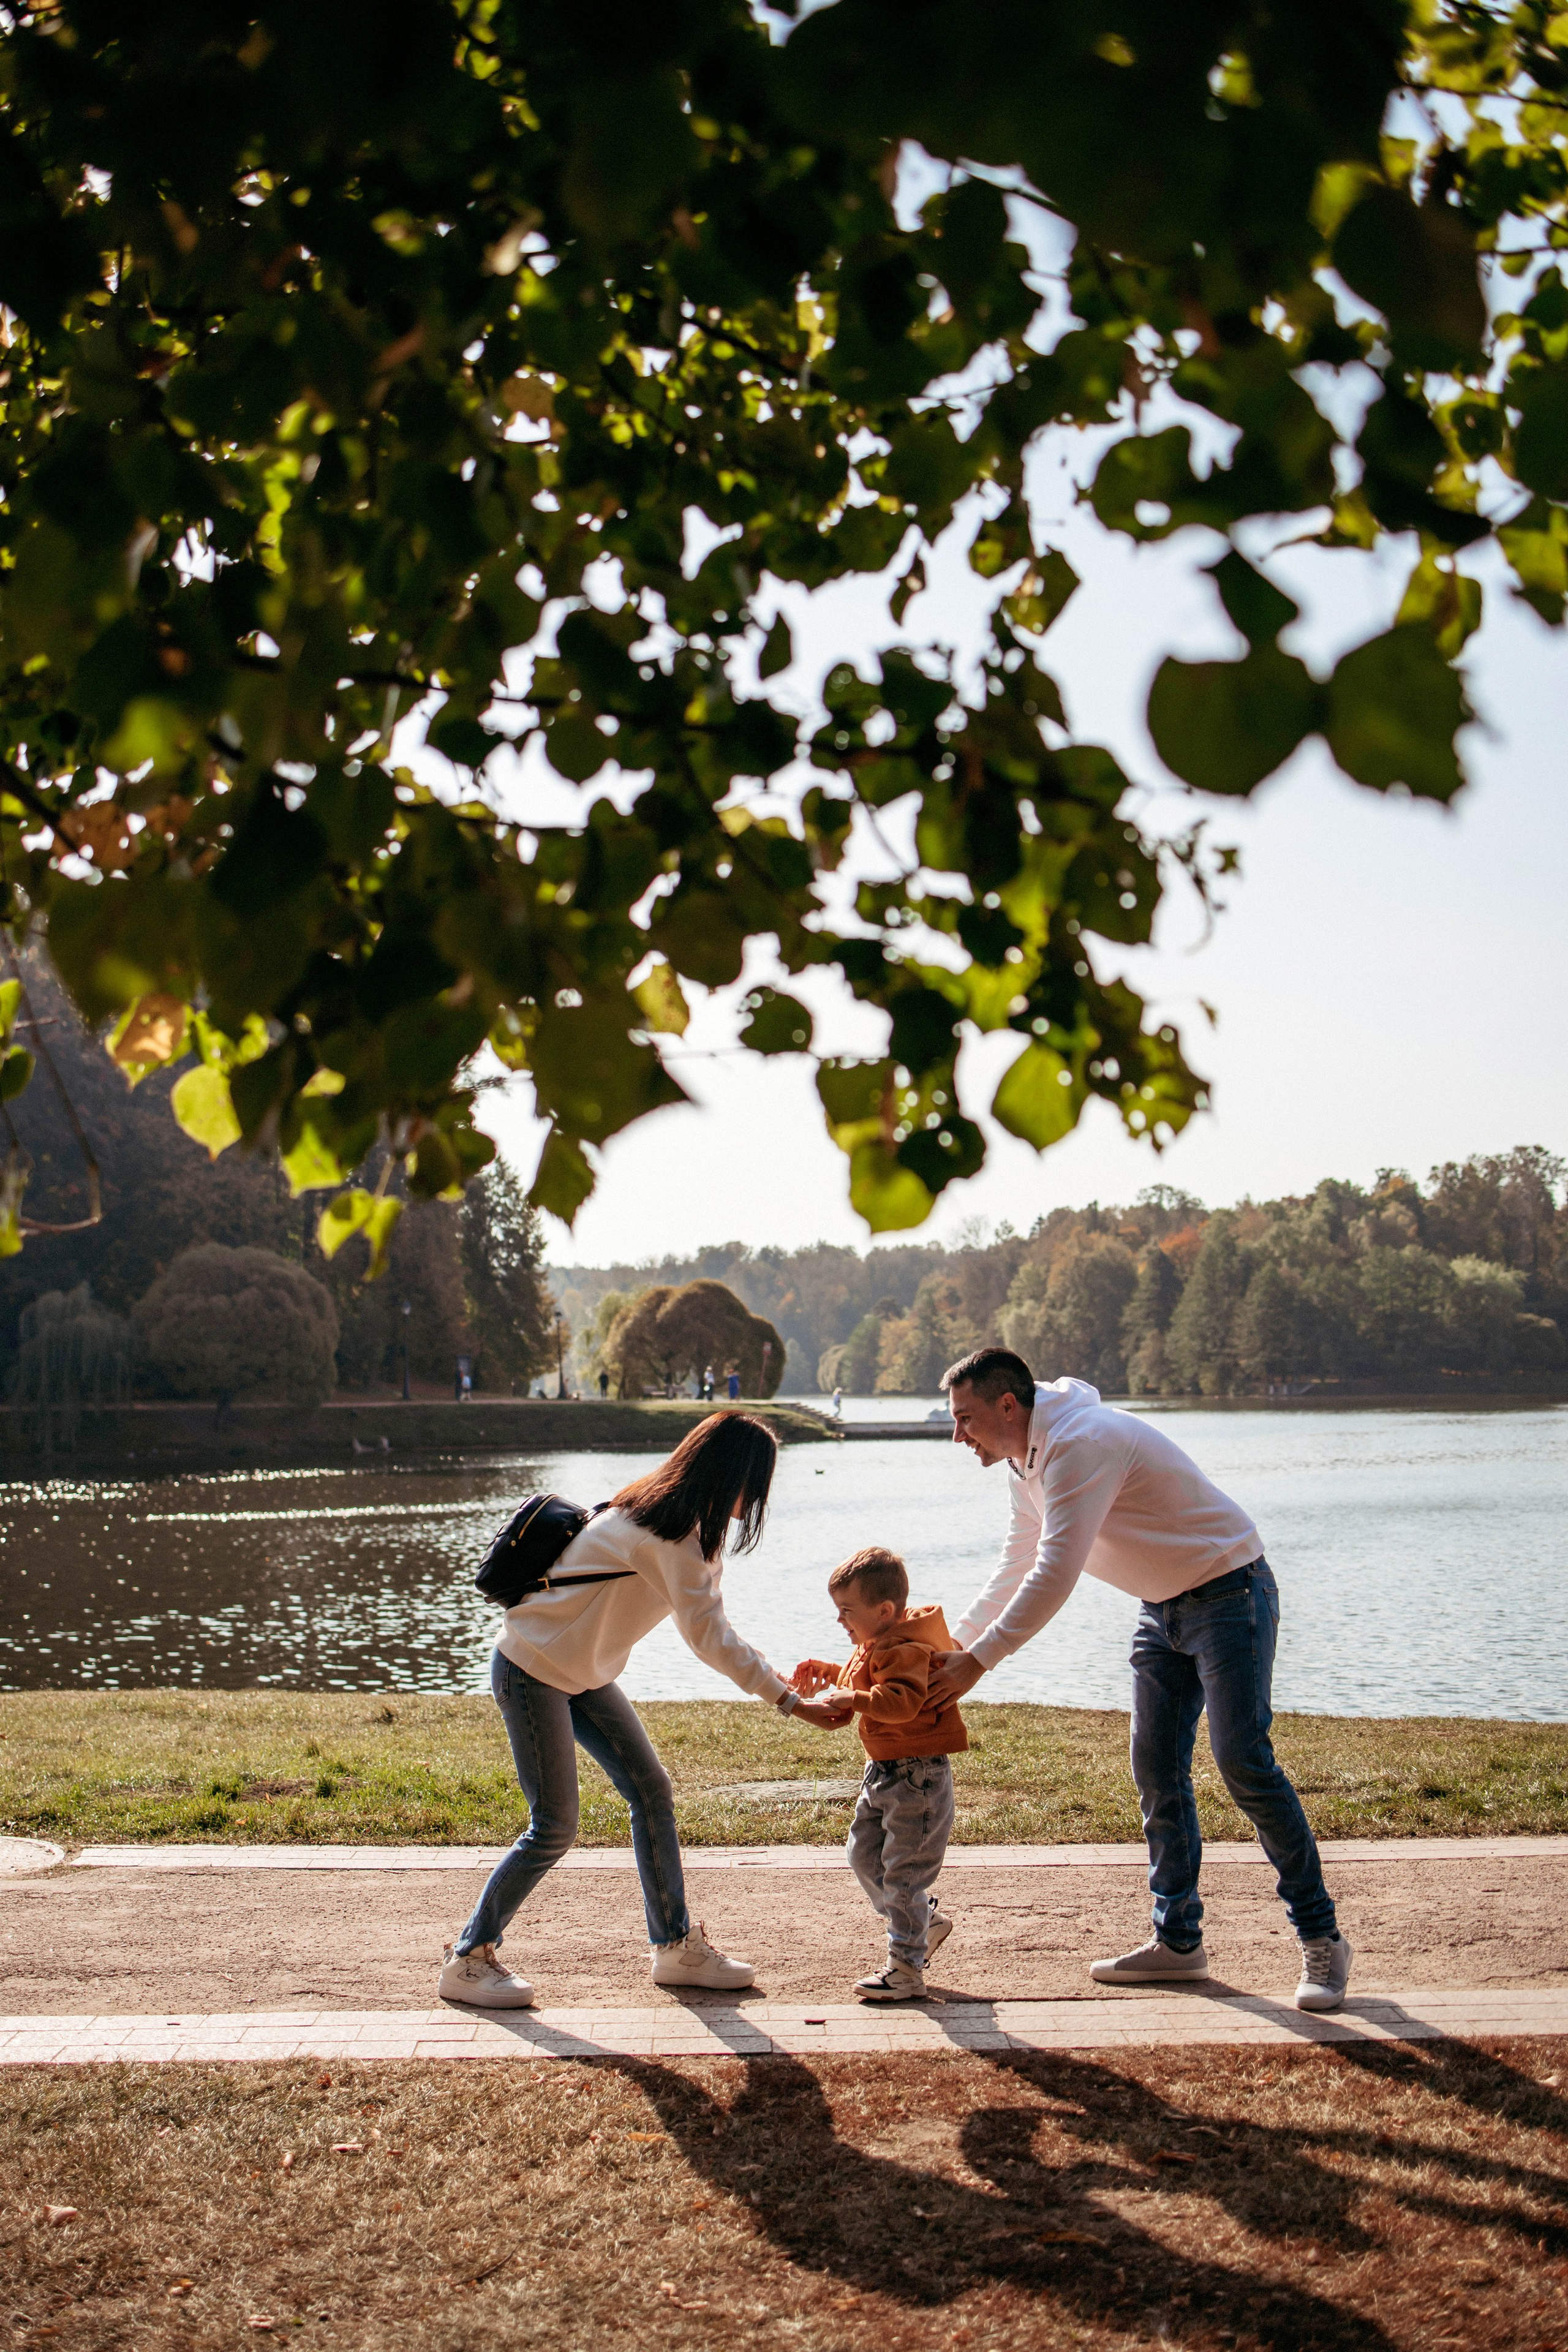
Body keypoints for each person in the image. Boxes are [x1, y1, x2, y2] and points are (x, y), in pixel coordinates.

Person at [926, 1347, 1351, 2014]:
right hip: (1162, 1611)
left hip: (1230, 1594)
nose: (957, 1435)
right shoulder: (1023, 1462)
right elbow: (1018, 1560)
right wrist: (953, 1644)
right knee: (1156, 1771)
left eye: (965, 1419)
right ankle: (1177, 1944)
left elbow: (1056, 1571)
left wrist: (981, 1660)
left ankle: (1321, 1938)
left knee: (1243, 1763)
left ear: (1008, 1405)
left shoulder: (1081, 1442)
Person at [439, 1412, 845, 2009]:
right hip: (533, 1671)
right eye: (755, 1481)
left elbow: (716, 1628)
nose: (757, 1496)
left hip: (579, 1675)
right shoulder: (673, 1536)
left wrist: (779, 1680)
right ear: (732, 1475)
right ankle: (468, 1960)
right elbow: (709, 1639)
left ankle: (675, 1947)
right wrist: (788, 1702)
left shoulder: (661, 1516)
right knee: (554, 1825)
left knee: (651, 1790)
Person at [791, 1546, 967, 2003]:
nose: (840, 1621)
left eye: (847, 1612)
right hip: (883, 1775)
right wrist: (828, 1673)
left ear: (884, 1611)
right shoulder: (876, 1644)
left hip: (917, 1778)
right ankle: (924, 1921)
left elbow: (901, 1702)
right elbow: (861, 1680)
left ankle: (906, 1969)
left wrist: (855, 1701)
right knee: (862, 1855)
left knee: (904, 1876)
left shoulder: (906, 1648)